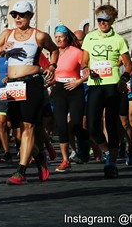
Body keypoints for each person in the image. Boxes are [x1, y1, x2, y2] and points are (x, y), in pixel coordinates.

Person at [0, 0, 58, 185]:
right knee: (17, 131)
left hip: (32, 83)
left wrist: (52, 66)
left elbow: (54, 49)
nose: (18, 18)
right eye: (14, 15)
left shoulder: (39, 36)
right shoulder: (7, 34)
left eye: (22, 15)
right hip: (12, 85)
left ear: (30, 15)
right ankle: (39, 155)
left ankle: (21, 172)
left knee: (29, 128)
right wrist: (1, 48)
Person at [81, 4, 132, 179]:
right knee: (91, 126)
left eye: (106, 20)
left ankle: (111, 162)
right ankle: (106, 153)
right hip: (95, 85)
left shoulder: (119, 39)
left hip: (112, 85)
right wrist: (86, 69)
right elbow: (84, 61)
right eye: (100, 20)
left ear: (112, 20)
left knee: (111, 125)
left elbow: (129, 65)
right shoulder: (89, 38)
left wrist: (124, 79)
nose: (103, 23)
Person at [51, 25, 88, 173]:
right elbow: (54, 72)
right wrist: (50, 80)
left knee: (76, 125)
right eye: (56, 37)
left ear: (67, 37)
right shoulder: (54, 54)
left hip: (75, 89)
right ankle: (65, 160)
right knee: (61, 126)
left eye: (61, 36)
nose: (58, 39)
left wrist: (78, 81)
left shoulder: (78, 52)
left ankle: (91, 143)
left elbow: (88, 71)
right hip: (59, 90)